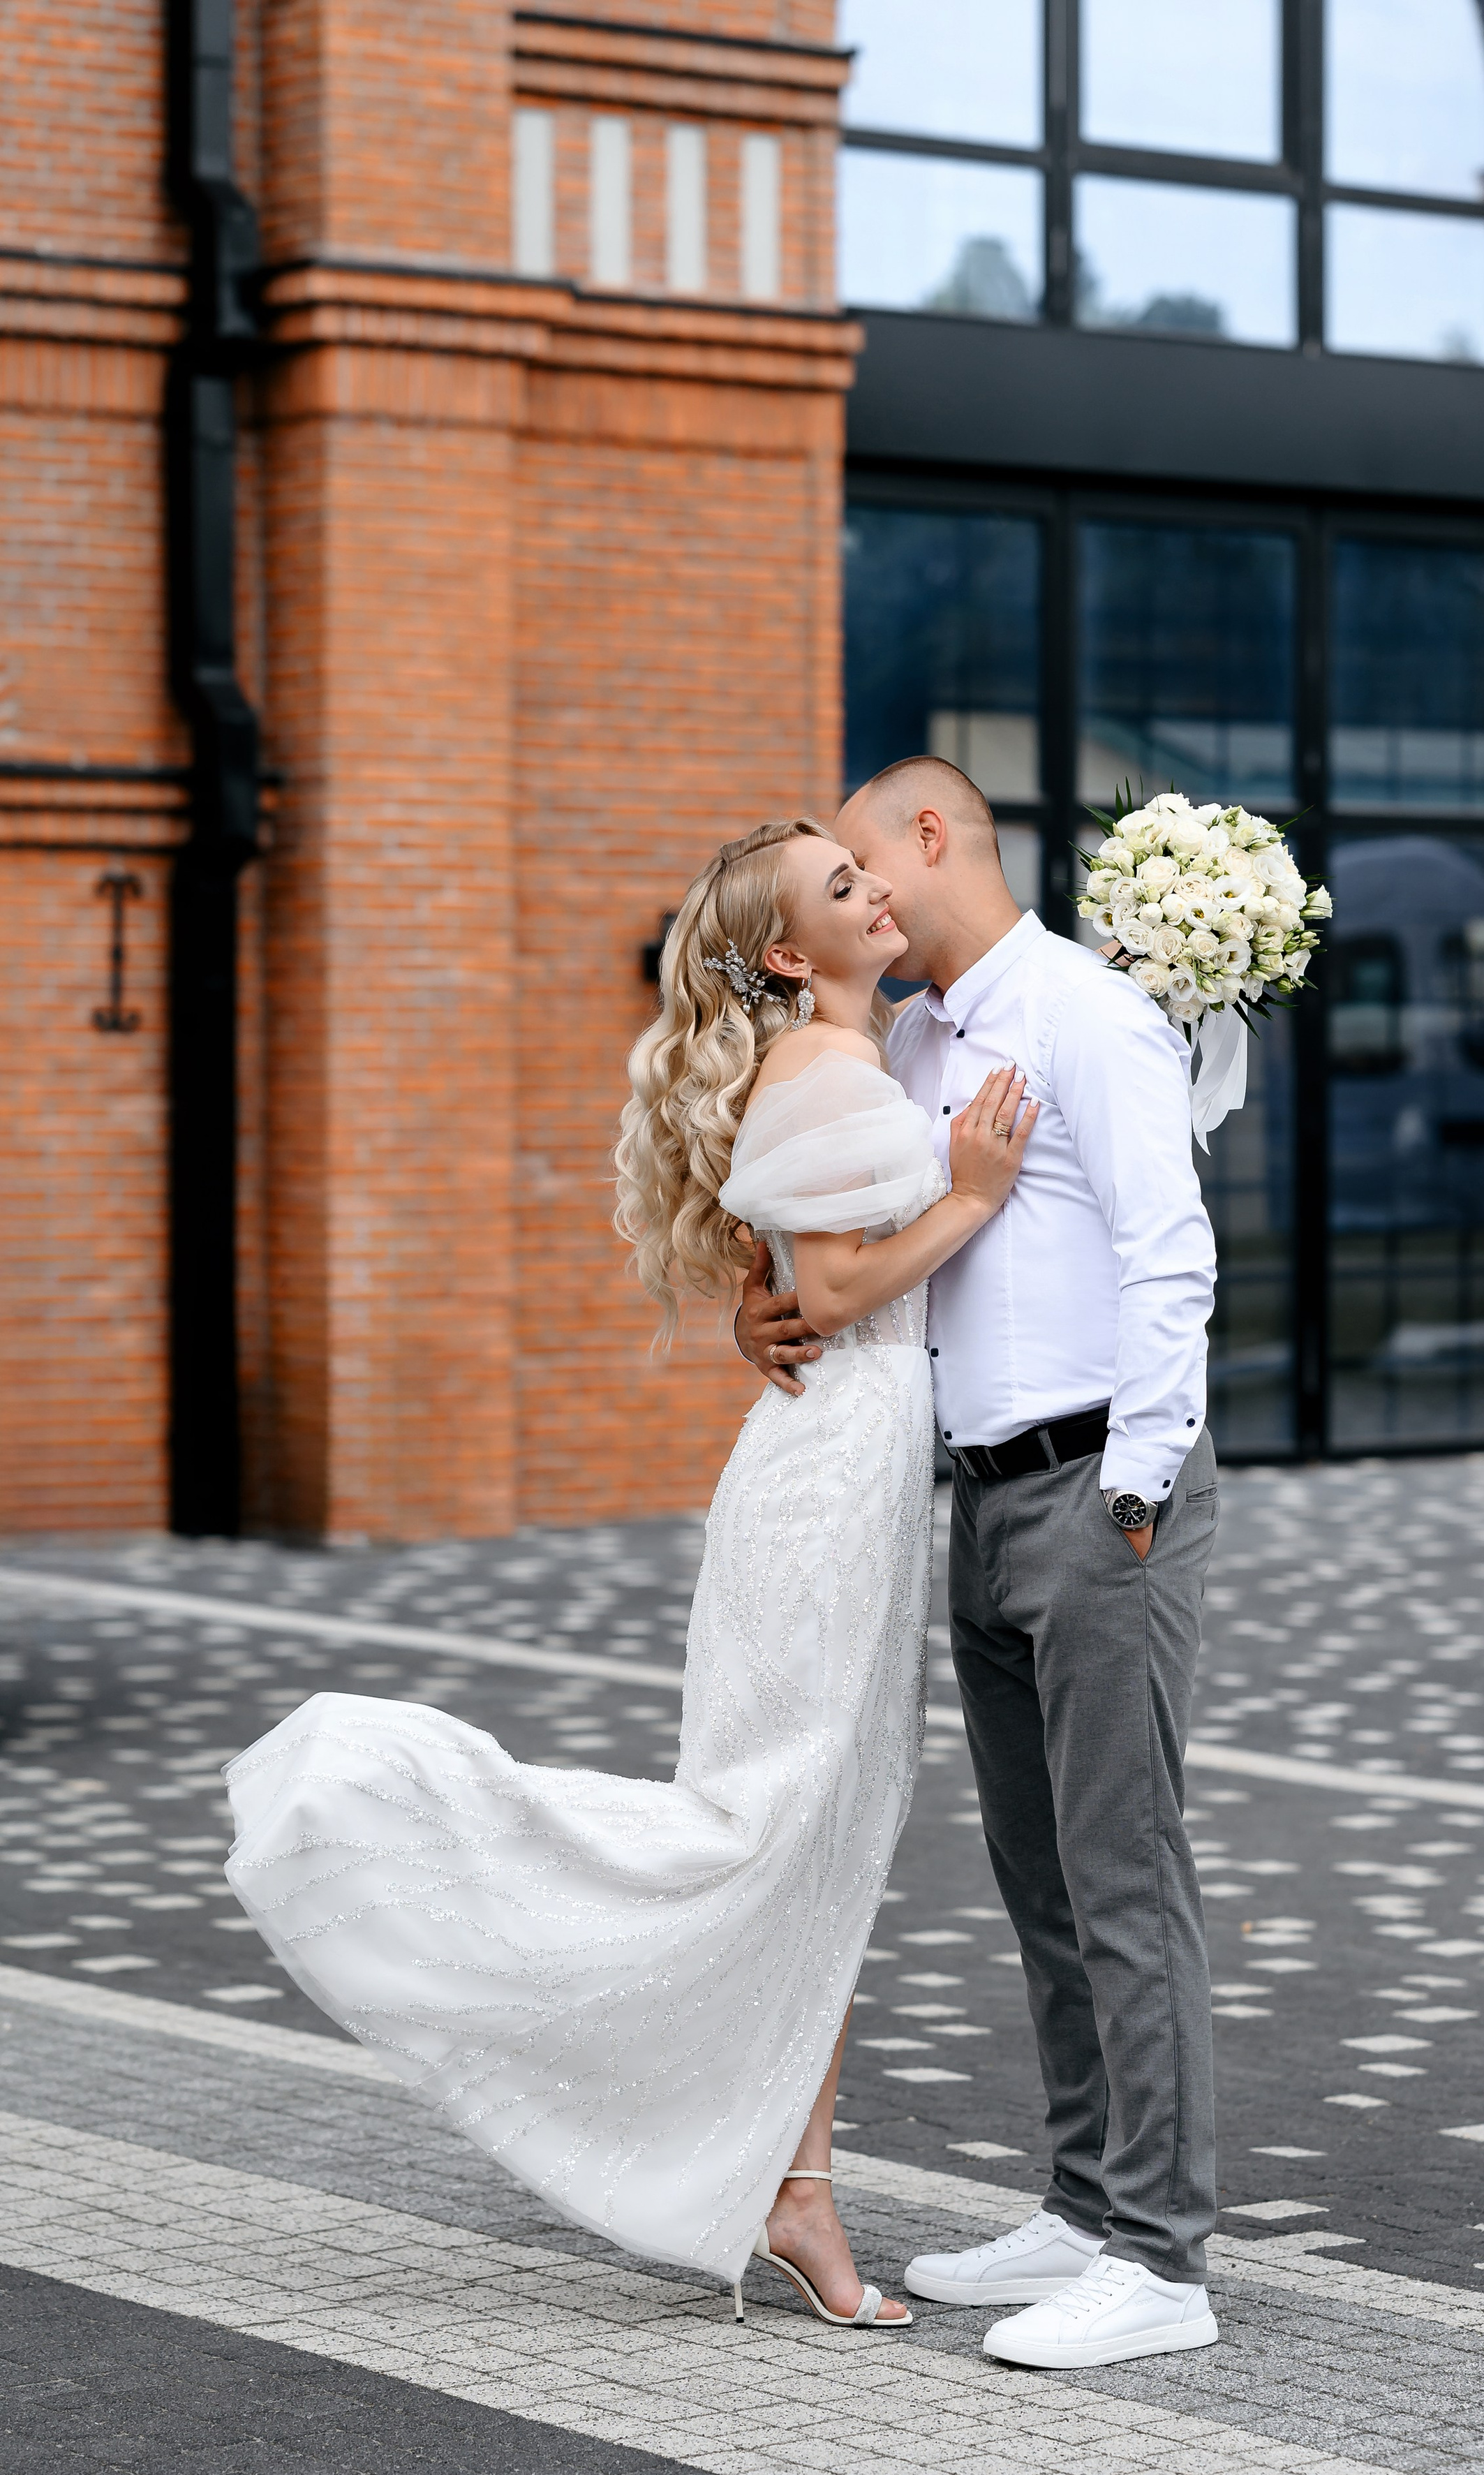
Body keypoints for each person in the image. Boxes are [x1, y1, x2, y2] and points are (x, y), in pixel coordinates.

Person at [223, 815, 1034, 2333]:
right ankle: (393, 1804)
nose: (880, 894)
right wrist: (974, 1194)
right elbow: (838, 1283)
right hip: (823, 1487)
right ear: (791, 950)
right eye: (846, 888)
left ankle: (796, 2185)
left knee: (825, 1844)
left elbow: (781, 1272)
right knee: (764, 1827)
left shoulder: (861, 1051)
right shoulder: (822, 1073)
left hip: (849, 1473)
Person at [735, 758, 1222, 2370]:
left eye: (868, 861)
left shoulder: (1083, 1012)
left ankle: (1158, 2257)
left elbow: (1169, 1251)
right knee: (1040, 1877)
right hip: (973, 1492)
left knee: (1122, 1869)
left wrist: (1137, 1495)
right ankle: (1083, 2205)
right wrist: (775, 1298)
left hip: (1101, 1489)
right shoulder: (921, 1033)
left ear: (928, 836)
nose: (864, 893)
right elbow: (857, 1241)